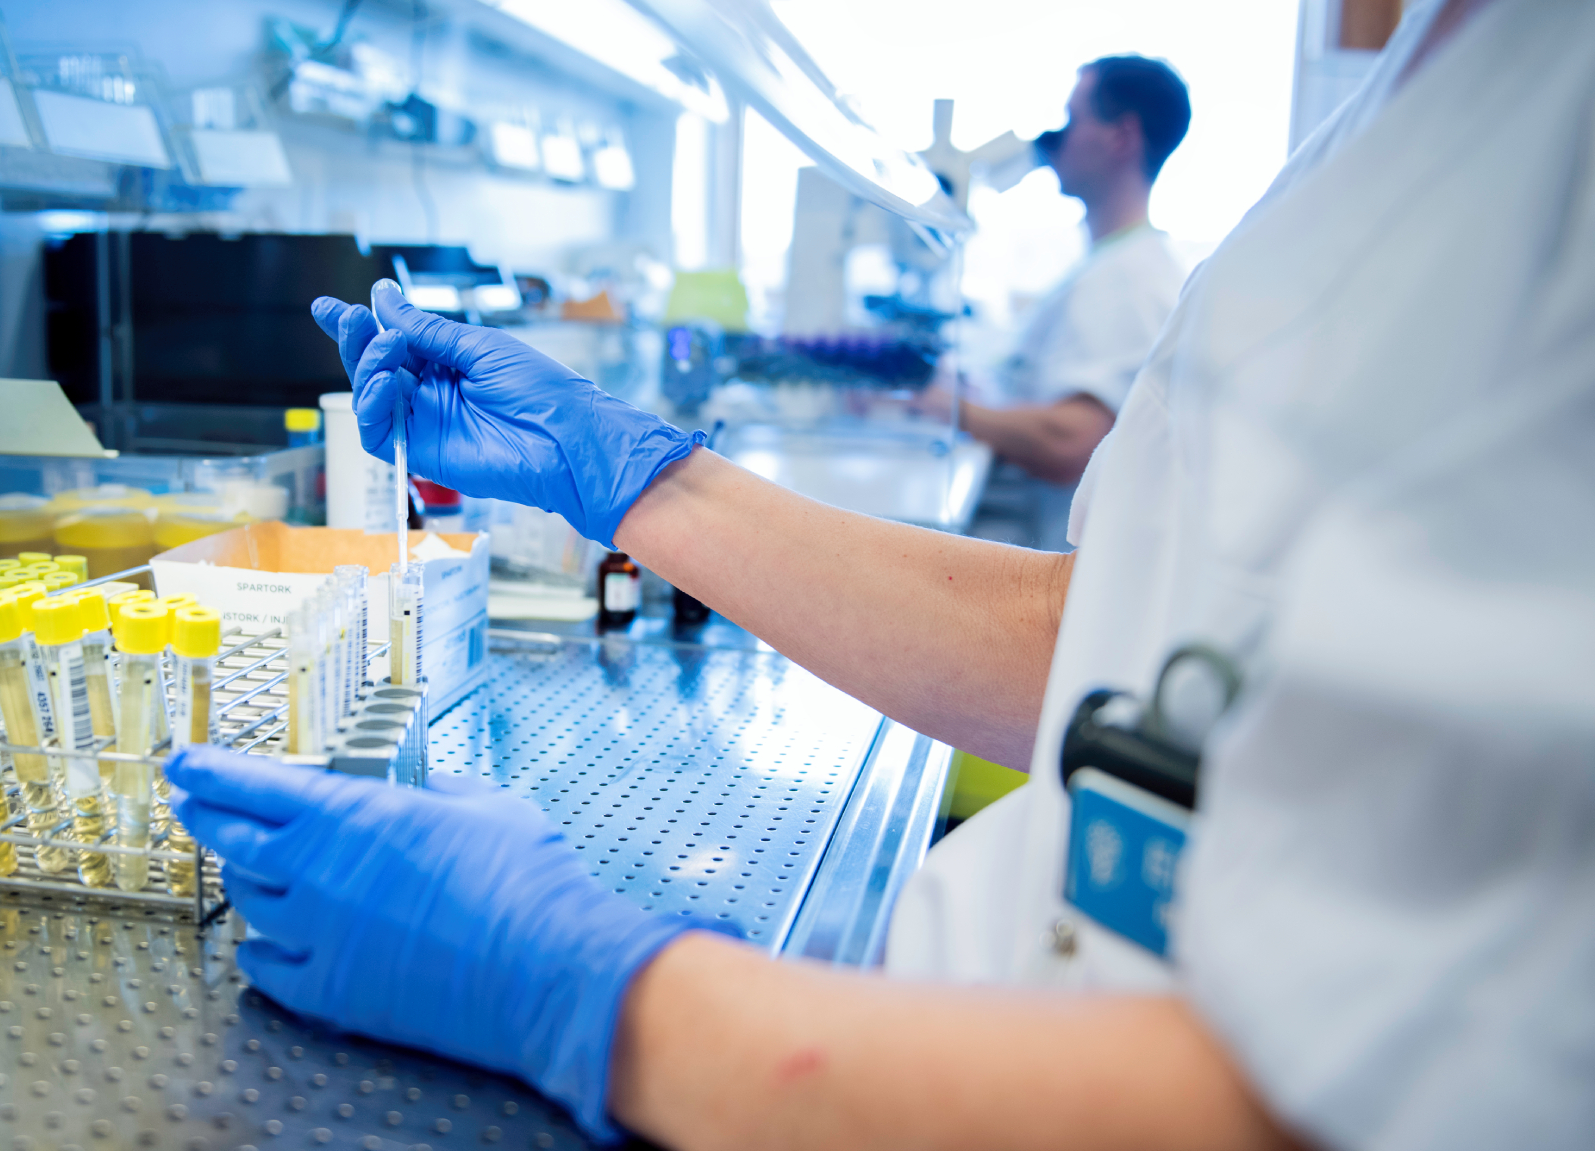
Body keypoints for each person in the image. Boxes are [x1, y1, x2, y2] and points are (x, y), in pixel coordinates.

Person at [168, 1, 1593, 1147]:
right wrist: (643, 481)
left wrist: (595, 991)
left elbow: (1379, 1085)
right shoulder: (1420, 86)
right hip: (971, 1014)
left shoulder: (1558, 129)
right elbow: (1111, 639)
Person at [921, 55, 1189, 550]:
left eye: (1072, 119)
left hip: (1062, 562)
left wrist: (950, 409)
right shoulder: (1115, 264)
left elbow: (1074, 441)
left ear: (1121, 137)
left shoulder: (1129, 279)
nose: (1054, 139)